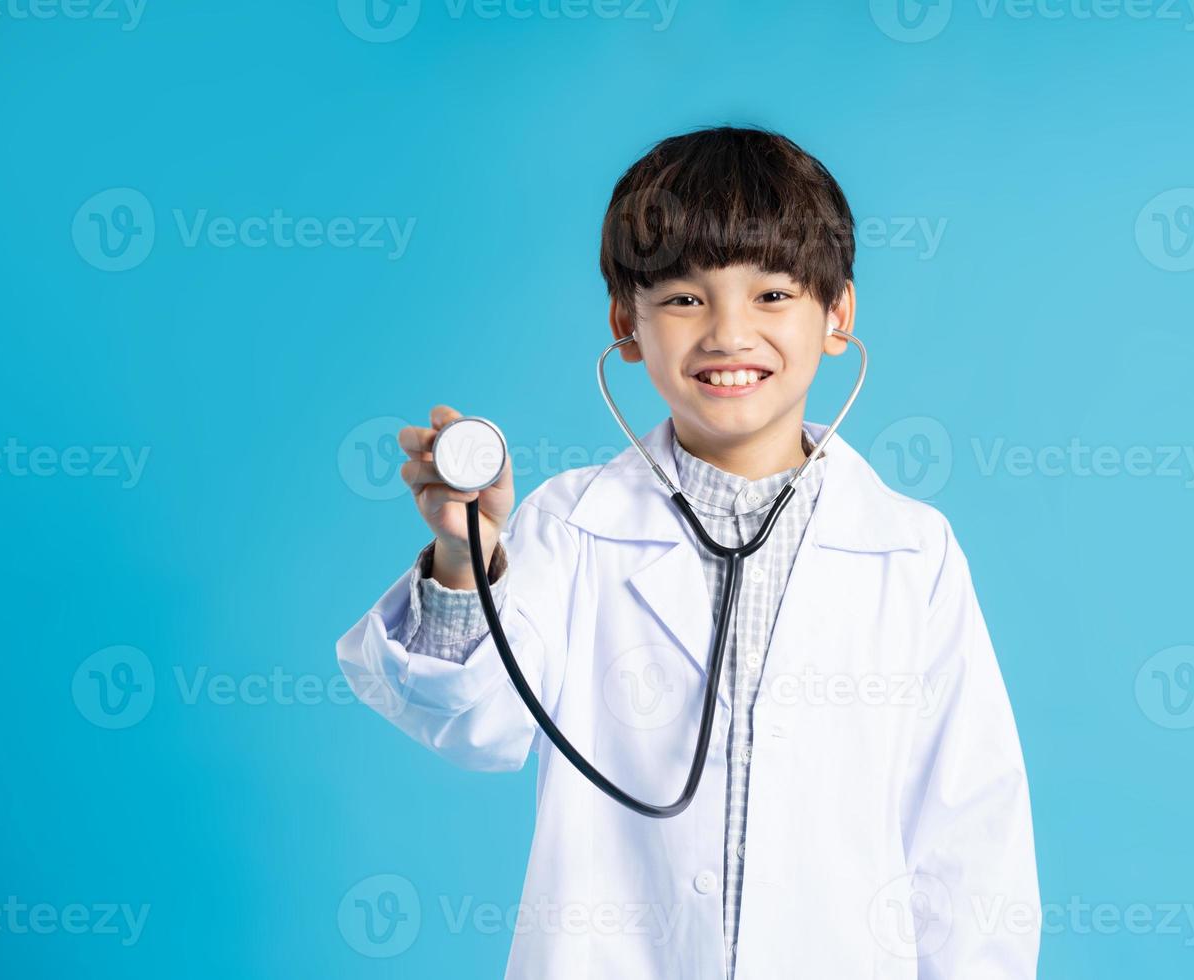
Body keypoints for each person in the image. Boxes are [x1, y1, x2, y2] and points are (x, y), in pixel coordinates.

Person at [336, 125, 1039, 979]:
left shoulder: (911, 555)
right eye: (682, 299)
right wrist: (465, 562)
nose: (727, 333)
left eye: (773, 295)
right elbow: (474, 724)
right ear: (624, 325)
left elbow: (969, 843)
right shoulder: (572, 528)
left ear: (838, 317)